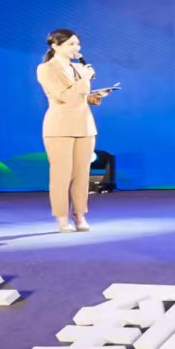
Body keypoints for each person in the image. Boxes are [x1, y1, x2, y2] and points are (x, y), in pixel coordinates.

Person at [37, 28, 111, 233]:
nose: (76, 47)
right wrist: (86, 78)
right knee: (61, 175)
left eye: (77, 43)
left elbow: (80, 97)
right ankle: (62, 217)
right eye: (70, 44)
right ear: (55, 46)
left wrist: (96, 96)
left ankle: (80, 215)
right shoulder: (46, 69)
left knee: (82, 174)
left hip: (84, 125)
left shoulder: (77, 68)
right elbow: (65, 96)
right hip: (60, 126)